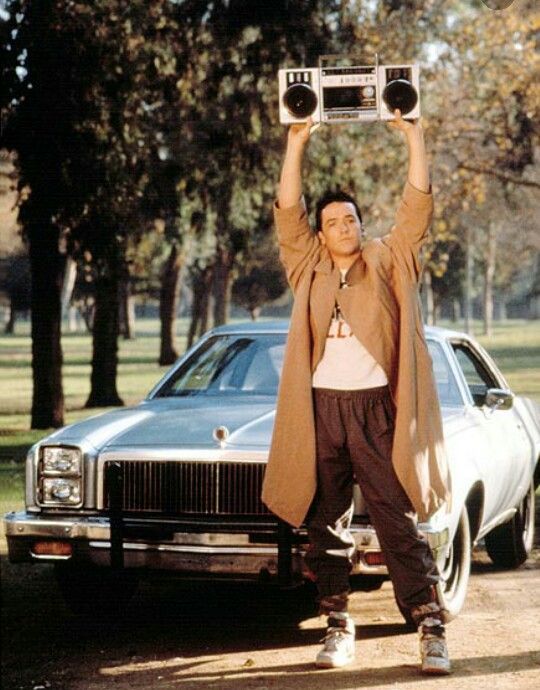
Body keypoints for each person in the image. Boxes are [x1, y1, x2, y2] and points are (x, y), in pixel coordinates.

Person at [261, 109, 452, 674]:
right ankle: (338, 625)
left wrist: (415, 136)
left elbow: (415, 211)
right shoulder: (310, 267)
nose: (345, 227)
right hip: (321, 411)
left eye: (351, 219)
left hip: (376, 409)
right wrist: (296, 143)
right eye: (335, 222)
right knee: (326, 521)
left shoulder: (388, 260)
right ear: (322, 235)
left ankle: (430, 625)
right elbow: (287, 217)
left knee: (395, 518)